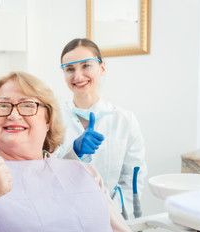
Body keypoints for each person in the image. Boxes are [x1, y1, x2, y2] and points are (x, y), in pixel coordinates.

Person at [0, 71, 140, 232]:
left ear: (48, 120)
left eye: (28, 105)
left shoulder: (84, 173)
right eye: (3, 105)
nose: (14, 114)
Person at [53, 38, 147, 217]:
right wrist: (73, 152)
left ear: (102, 67)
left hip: (112, 218)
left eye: (86, 66)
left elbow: (132, 178)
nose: (78, 76)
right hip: (63, 216)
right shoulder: (52, 118)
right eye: (70, 69)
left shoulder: (124, 120)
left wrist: (111, 216)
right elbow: (46, 171)